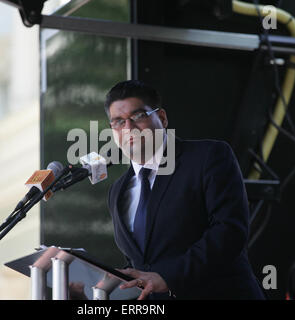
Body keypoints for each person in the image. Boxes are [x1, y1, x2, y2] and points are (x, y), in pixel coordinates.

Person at [104, 80, 264, 299]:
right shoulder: (118, 191)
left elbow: (229, 231)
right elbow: (141, 263)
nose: (129, 128)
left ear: (161, 118)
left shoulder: (208, 157)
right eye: (118, 122)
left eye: (138, 116)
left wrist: (169, 277)